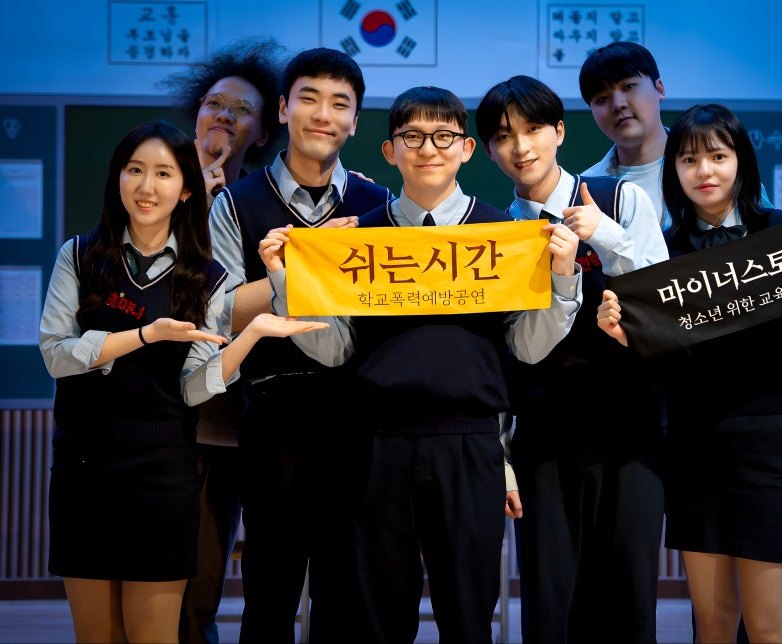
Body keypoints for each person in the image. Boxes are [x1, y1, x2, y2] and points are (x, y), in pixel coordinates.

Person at [260, 84, 582, 643]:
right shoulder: (356, 237)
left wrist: (563, 279)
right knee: (376, 622)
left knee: (468, 617)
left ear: (467, 149)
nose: (428, 148)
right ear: (390, 151)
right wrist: (286, 282)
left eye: (443, 136)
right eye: (412, 137)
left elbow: (528, 348)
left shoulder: (505, 236)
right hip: (374, 446)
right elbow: (336, 350)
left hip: (470, 445)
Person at [597, 103, 782, 643]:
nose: (704, 171)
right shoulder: (661, 252)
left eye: (717, 156)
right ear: (672, 171)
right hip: (692, 447)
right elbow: (662, 360)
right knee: (712, 623)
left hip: (771, 442)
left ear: (741, 162)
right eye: (688, 160)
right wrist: (624, 337)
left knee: (769, 626)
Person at [38, 120, 327, 644]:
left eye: (163, 174)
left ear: (187, 189)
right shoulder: (79, 257)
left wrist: (251, 333)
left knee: (155, 634)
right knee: (97, 636)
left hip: (165, 471)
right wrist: (144, 335)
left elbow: (194, 387)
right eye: (134, 170)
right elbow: (56, 356)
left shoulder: (206, 277)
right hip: (84, 469)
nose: (146, 186)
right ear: (117, 178)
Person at [475, 74, 668, 643]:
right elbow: (515, 351)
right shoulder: (496, 232)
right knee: (552, 602)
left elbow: (665, 301)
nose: (521, 146)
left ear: (559, 132)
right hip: (545, 433)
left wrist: (606, 236)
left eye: (534, 128)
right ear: (487, 151)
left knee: (630, 599)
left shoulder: (620, 198)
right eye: (504, 136)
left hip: (632, 425)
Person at [207, 47, 391, 642]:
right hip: (274, 412)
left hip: (360, 415)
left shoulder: (378, 204)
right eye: (309, 99)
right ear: (284, 110)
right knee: (270, 594)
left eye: (340, 104)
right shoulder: (236, 202)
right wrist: (304, 266)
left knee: (348, 595)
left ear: (355, 121)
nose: (323, 114)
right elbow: (218, 312)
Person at [579, 40, 782, 302]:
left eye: (629, 86)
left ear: (659, 89)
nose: (618, 104)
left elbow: (773, 259)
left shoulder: (723, 176)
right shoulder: (586, 192)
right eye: (602, 98)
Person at [158, 35, 286, 644]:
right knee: (150, 579)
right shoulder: (150, 194)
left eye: (242, 110)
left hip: (226, 421)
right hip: (154, 419)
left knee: (201, 586)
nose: (224, 116)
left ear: (263, 132)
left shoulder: (263, 206)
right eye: (214, 104)